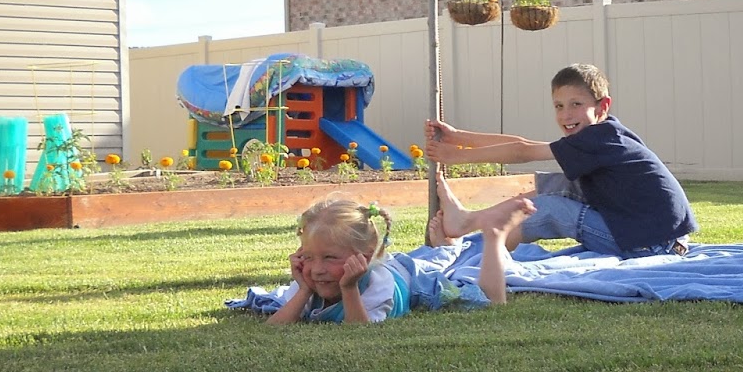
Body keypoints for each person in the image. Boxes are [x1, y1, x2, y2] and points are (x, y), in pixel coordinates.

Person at [424, 62, 695, 258]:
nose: (566, 115)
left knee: (549, 209)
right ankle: (468, 227)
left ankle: (465, 247)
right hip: (654, 237)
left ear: (602, 107)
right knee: (559, 183)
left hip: (654, 247)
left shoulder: (600, 139)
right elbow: (525, 143)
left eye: (576, 104)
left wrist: (457, 155)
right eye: (559, 106)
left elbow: (523, 151)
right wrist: (458, 137)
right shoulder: (604, 136)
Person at [264, 194, 534, 325]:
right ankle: (444, 248)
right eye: (308, 257)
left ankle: (494, 235)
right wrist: (304, 290)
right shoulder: (310, 279)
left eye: (329, 257)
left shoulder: (377, 285)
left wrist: (349, 288)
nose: (317, 269)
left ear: (364, 257)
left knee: (485, 301)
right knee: (426, 259)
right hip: (397, 265)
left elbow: (358, 332)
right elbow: (274, 328)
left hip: (412, 284)